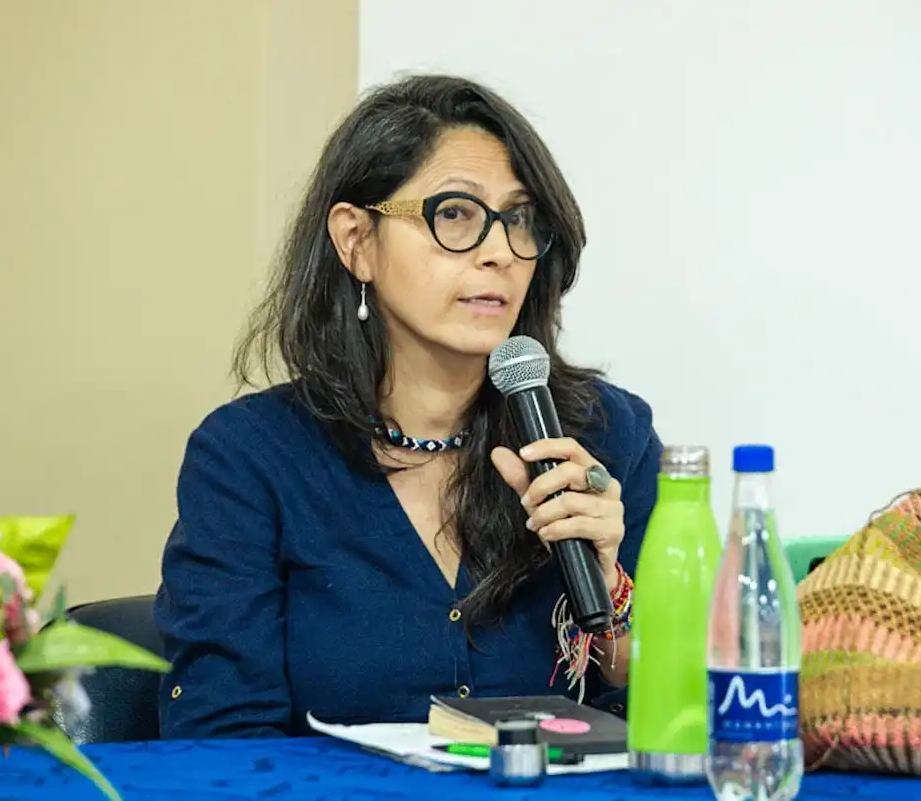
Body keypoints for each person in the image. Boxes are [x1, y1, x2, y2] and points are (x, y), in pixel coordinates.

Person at [153, 74, 664, 739]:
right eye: (454, 215)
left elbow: (673, 712)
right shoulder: (250, 458)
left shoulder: (607, 438)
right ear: (356, 240)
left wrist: (608, 588)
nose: (500, 253)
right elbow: (221, 738)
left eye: (520, 219)